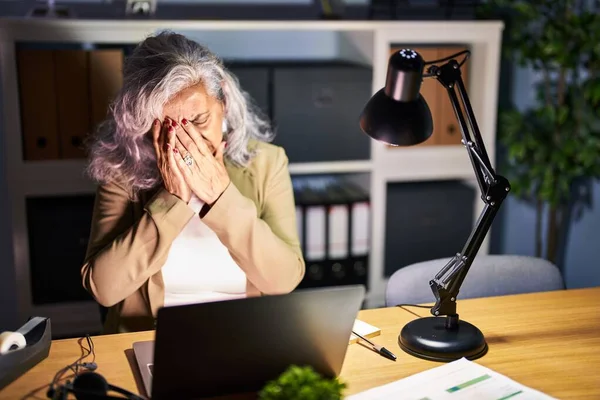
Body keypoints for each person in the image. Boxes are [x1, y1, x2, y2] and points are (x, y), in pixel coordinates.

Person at [81, 31, 305, 334]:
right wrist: (172, 201)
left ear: (223, 102)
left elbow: (284, 280)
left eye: (199, 121)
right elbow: (104, 289)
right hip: (151, 337)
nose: (187, 143)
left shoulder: (267, 163)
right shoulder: (121, 170)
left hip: (246, 332)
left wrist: (222, 198)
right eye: (167, 127)